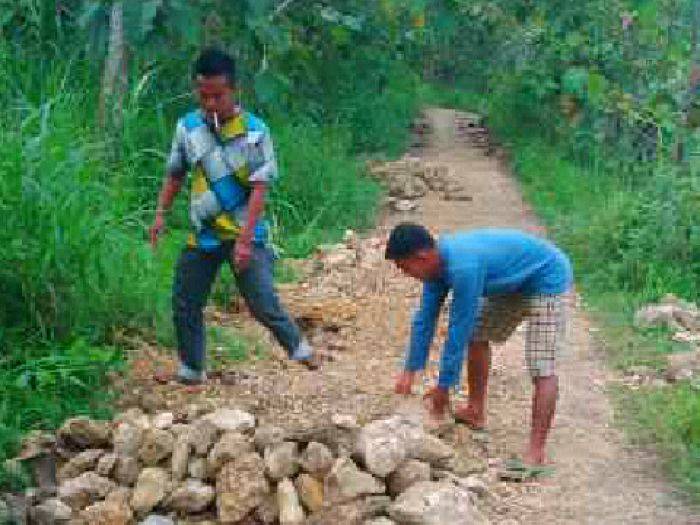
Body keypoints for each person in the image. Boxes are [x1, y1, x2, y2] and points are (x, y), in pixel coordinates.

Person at [150, 48, 317, 385]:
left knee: (260, 300)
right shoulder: (187, 127)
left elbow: (259, 189)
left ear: (234, 90)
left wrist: (244, 241)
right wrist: (160, 216)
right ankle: (192, 368)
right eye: (203, 95)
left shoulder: (255, 131)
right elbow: (175, 174)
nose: (210, 103)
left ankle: (300, 348)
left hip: (244, 232)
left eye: (218, 95)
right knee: (185, 300)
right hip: (205, 232)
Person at [386, 223, 573, 469]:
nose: (404, 274)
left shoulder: (463, 266)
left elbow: (457, 328)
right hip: (513, 281)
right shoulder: (435, 268)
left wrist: (444, 388)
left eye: (403, 267)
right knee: (477, 334)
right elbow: (425, 318)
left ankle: (535, 453)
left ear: (421, 257)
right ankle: (475, 411)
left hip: (546, 277)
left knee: (542, 367)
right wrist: (409, 371)